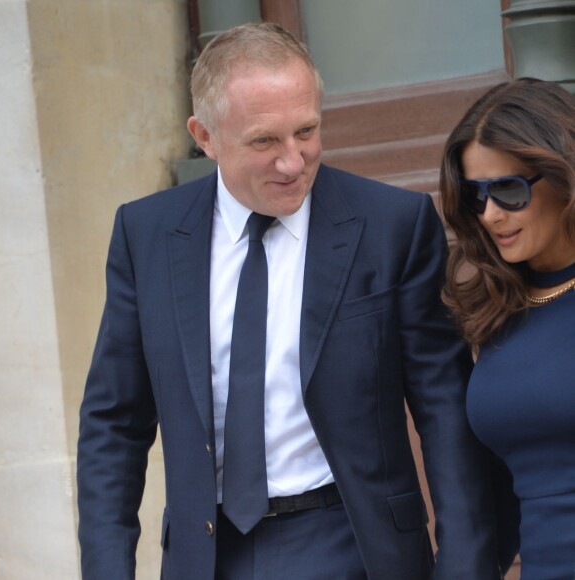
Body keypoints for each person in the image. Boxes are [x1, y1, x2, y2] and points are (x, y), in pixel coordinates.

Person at [77, 22, 508, 580]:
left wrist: (465, 567)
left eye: (306, 131)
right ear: (205, 136)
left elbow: (445, 410)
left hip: (353, 546)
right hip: (204, 556)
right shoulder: (146, 235)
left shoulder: (391, 227)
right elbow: (114, 424)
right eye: (263, 140)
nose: (292, 161)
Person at [440, 77, 575, 580]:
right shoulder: (497, 309)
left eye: (509, 190)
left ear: (563, 176)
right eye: (476, 196)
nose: (491, 214)